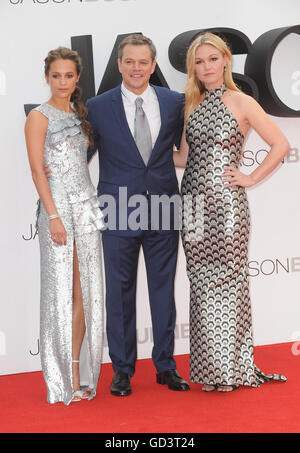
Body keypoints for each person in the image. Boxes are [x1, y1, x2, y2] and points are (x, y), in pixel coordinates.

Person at [174, 32, 289, 392]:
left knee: (229, 282)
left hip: (226, 205)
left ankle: (231, 371)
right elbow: (182, 158)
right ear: (192, 66)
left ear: (226, 60)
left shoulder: (241, 102)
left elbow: (281, 144)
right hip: (192, 203)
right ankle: (210, 372)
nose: (206, 66)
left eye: (212, 59)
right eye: (199, 60)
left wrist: (251, 177)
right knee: (201, 283)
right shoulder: (190, 105)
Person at [86, 34, 189, 396]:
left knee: (163, 291)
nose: (136, 68)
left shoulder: (175, 102)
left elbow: (184, 152)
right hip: (117, 210)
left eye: (143, 62)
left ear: (153, 65)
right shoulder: (96, 106)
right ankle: (122, 370)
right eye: (129, 61)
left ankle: (165, 366)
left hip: (164, 207)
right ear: (119, 64)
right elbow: (82, 156)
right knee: (120, 291)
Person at [25, 47, 104, 405]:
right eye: (56, 75)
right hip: (58, 210)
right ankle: (62, 377)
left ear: (77, 78)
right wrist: (54, 216)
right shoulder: (38, 117)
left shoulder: (79, 113)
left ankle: (78, 368)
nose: (62, 81)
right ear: (47, 77)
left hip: (86, 206)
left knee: (87, 291)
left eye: (68, 75)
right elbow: (38, 170)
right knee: (61, 293)